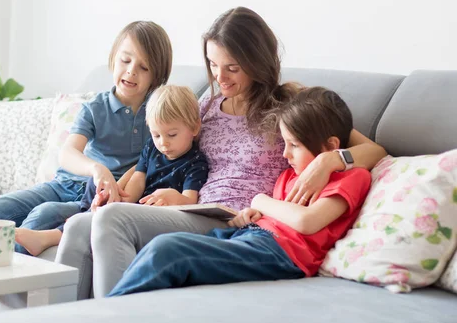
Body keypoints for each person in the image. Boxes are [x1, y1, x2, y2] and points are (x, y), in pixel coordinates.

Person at [56, 6, 387, 300]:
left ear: (257, 62)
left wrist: (329, 161)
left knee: (112, 221)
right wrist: (118, 191)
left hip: (238, 221)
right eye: (213, 64)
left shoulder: (291, 102)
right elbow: (155, 155)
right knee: (81, 226)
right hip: (198, 209)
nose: (219, 76)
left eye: (232, 67)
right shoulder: (207, 106)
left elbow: (373, 149)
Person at [0, 20, 173, 322]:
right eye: (125, 60)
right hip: (65, 183)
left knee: (41, 217)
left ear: (157, 75)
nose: (131, 71)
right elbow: (68, 152)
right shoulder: (95, 107)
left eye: (143, 67)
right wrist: (97, 168)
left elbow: (167, 156)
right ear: (113, 58)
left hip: (91, 199)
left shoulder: (159, 112)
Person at [108, 86, 372, 295]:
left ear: (330, 146)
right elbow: (272, 217)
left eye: (293, 145)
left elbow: (306, 221)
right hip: (251, 236)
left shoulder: (352, 176)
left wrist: (260, 200)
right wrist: (250, 214)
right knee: (161, 249)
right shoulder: (290, 175)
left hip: (282, 255)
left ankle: (106, 318)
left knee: (167, 251)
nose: (284, 152)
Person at [15, 85, 209, 256]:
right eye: (156, 134)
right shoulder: (152, 147)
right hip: (134, 205)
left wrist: (173, 196)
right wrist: (121, 198)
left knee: (99, 214)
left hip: (153, 214)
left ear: (194, 127)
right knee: (96, 183)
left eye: (172, 135)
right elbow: (138, 179)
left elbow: (189, 200)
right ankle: (89, 214)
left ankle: (54, 234)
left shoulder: (195, 162)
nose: (163, 143)